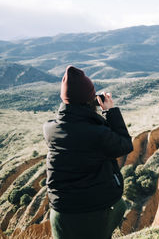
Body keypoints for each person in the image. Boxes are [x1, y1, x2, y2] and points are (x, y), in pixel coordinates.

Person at [43, 65, 133, 239]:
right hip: (93, 210)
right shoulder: (97, 133)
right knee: (120, 206)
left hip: (61, 210)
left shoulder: (49, 128)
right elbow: (124, 145)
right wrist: (110, 112)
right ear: (90, 100)